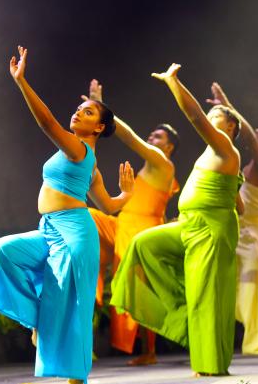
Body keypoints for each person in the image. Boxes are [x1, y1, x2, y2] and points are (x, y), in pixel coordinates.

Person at [0, 46, 135, 384]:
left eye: (87, 113)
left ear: (99, 128)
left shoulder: (78, 150)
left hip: (74, 234)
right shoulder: (89, 164)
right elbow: (108, 205)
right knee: (2, 251)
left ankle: (76, 379)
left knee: (73, 305)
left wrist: (21, 82)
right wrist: (124, 194)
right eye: (78, 109)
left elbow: (46, 122)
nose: (77, 114)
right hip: (49, 230)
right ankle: (36, 317)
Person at [111, 63, 243, 376]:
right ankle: (180, 309)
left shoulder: (226, 148)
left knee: (207, 296)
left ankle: (210, 366)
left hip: (209, 232)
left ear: (230, 130)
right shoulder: (217, 156)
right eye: (211, 118)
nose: (209, 122)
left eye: (216, 119)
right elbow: (239, 202)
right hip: (189, 225)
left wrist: (173, 82)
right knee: (144, 245)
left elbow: (195, 115)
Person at [86, 79, 179, 365]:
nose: (152, 139)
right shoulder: (149, 167)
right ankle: (83, 333)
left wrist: (101, 109)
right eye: (152, 135)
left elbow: (129, 138)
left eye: (158, 137)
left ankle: (148, 351)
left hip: (141, 232)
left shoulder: (163, 164)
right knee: (85, 219)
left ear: (170, 146)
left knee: (139, 290)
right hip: (122, 224)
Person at [206, 82, 258, 356]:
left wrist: (227, 104)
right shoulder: (247, 163)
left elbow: (249, 137)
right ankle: (243, 335)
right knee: (239, 281)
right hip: (242, 229)